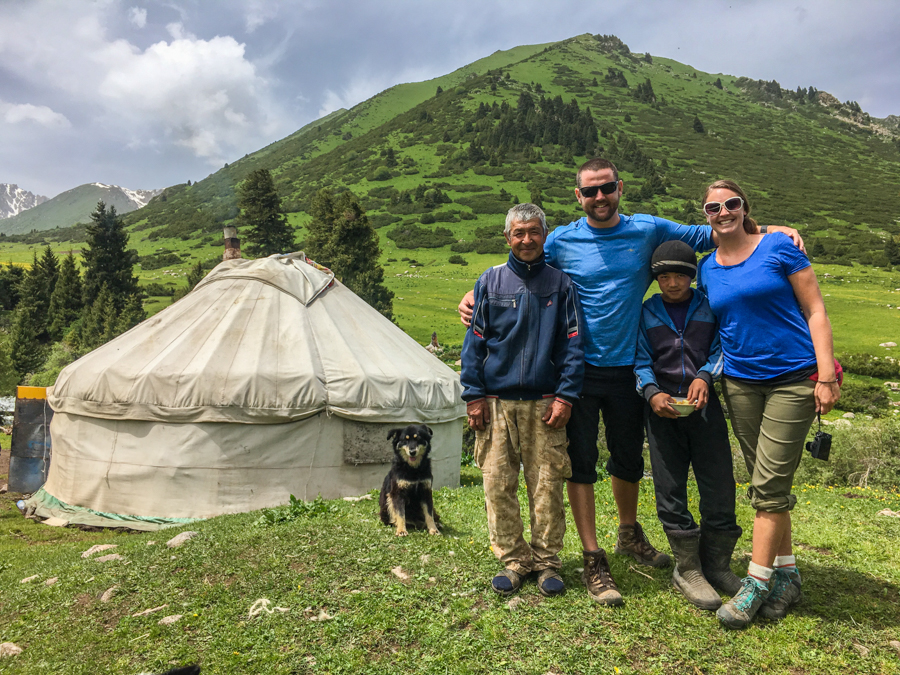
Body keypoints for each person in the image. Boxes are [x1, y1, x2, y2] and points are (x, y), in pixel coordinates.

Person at [458, 158, 803, 606]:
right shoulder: (561, 238)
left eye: (607, 189)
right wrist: (474, 292)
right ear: (577, 197)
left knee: (626, 460)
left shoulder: (648, 229)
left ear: (619, 188)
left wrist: (770, 229)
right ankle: (591, 555)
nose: (599, 197)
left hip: (629, 370)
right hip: (576, 370)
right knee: (580, 464)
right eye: (590, 191)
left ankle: (628, 533)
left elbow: (715, 231)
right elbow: (521, 259)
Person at [695, 179, 840, 629]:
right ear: (705, 215)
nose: (724, 212)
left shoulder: (779, 247)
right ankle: (788, 574)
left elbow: (815, 310)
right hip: (740, 384)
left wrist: (827, 373)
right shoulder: (706, 268)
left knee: (769, 489)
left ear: (744, 206)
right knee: (765, 482)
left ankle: (755, 585)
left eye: (732, 203)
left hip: (795, 380)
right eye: (714, 207)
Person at [461, 203, 585, 597]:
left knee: (546, 484)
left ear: (544, 235)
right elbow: (475, 342)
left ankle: (548, 562)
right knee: (498, 484)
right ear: (507, 237)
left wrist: (565, 397)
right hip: (495, 402)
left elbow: (573, 346)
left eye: (534, 232)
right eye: (519, 233)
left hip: (544, 403)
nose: (527, 240)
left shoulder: (561, 284)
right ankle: (514, 560)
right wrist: (473, 395)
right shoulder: (490, 282)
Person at [634, 241, 743, 611]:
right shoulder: (648, 311)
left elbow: (720, 349)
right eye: (663, 276)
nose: (672, 283)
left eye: (679, 275)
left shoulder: (708, 307)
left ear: (691, 277)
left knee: (718, 481)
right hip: (661, 411)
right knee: (669, 485)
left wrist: (704, 376)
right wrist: (650, 392)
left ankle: (718, 565)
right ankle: (688, 568)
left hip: (705, 407)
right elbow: (640, 358)